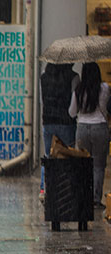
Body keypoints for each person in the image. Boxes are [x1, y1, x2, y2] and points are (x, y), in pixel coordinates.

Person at [69, 62, 110, 207]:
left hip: (82, 129)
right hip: (100, 128)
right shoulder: (105, 88)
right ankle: (96, 199)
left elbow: (72, 113)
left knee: (83, 164)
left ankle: (83, 196)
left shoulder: (78, 90)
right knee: (98, 166)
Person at [40, 63, 78, 196]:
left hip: (48, 122)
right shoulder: (73, 77)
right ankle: (66, 190)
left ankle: (45, 189)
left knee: (48, 156)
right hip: (66, 123)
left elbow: (42, 101)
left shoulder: (43, 77)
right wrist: (69, 115)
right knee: (68, 156)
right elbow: (74, 105)